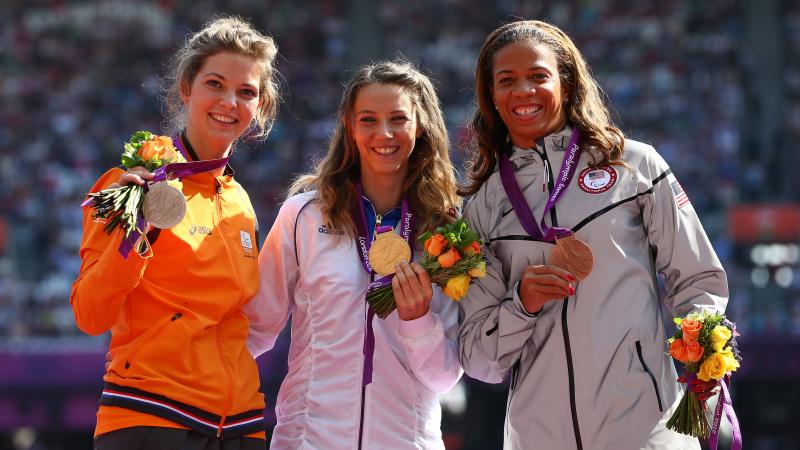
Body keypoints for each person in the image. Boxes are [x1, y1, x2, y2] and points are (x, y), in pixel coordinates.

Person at [456, 20, 728, 450]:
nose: (523, 91)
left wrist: (702, 350)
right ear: (492, 95)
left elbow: (698, 279)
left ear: (565, 81)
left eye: (538, 76)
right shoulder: (481, 207)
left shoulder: (635, 167)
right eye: (506, 80)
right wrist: (521, 304)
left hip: (647, 432)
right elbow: (479, 359)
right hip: (536, 438)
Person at [70, 17, 279, 449]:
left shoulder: (240, 201)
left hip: (240, 425)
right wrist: (136, 232)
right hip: (151, 416)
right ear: (186, 88)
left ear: (260, 106)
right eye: (215, 84)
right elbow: (90, 315)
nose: (229, 101)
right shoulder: (130, 185)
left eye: (246, 92)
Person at [244, 60, 462, 449]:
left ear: (421, 125)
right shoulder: (303, 217)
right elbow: (254, 329)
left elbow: (443, 377)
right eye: (368, 119)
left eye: (398, 118)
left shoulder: (448, 230)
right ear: (349, 126)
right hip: (308, 440)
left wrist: (417, 321)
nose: (384, 133)